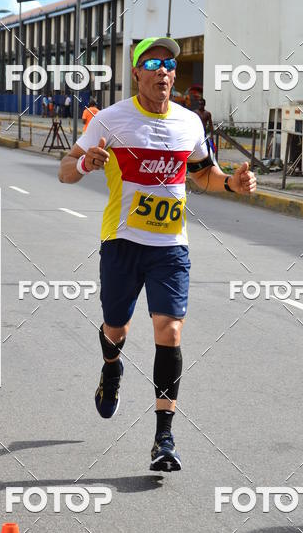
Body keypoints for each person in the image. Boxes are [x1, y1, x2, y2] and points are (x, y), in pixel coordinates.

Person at [58, 37, 256, 472]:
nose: (164, 70)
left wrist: (232, 185)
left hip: (170, 247)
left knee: (171, 331)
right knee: (116, 327)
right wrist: (88, 163)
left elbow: (204, 174)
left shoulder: (189, 123)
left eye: (170, 63)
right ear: (137, 74)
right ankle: (112, 368)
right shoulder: (110, 120)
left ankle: (163, 437)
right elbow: (65, 171)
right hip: (122, 243)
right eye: (153, 63)